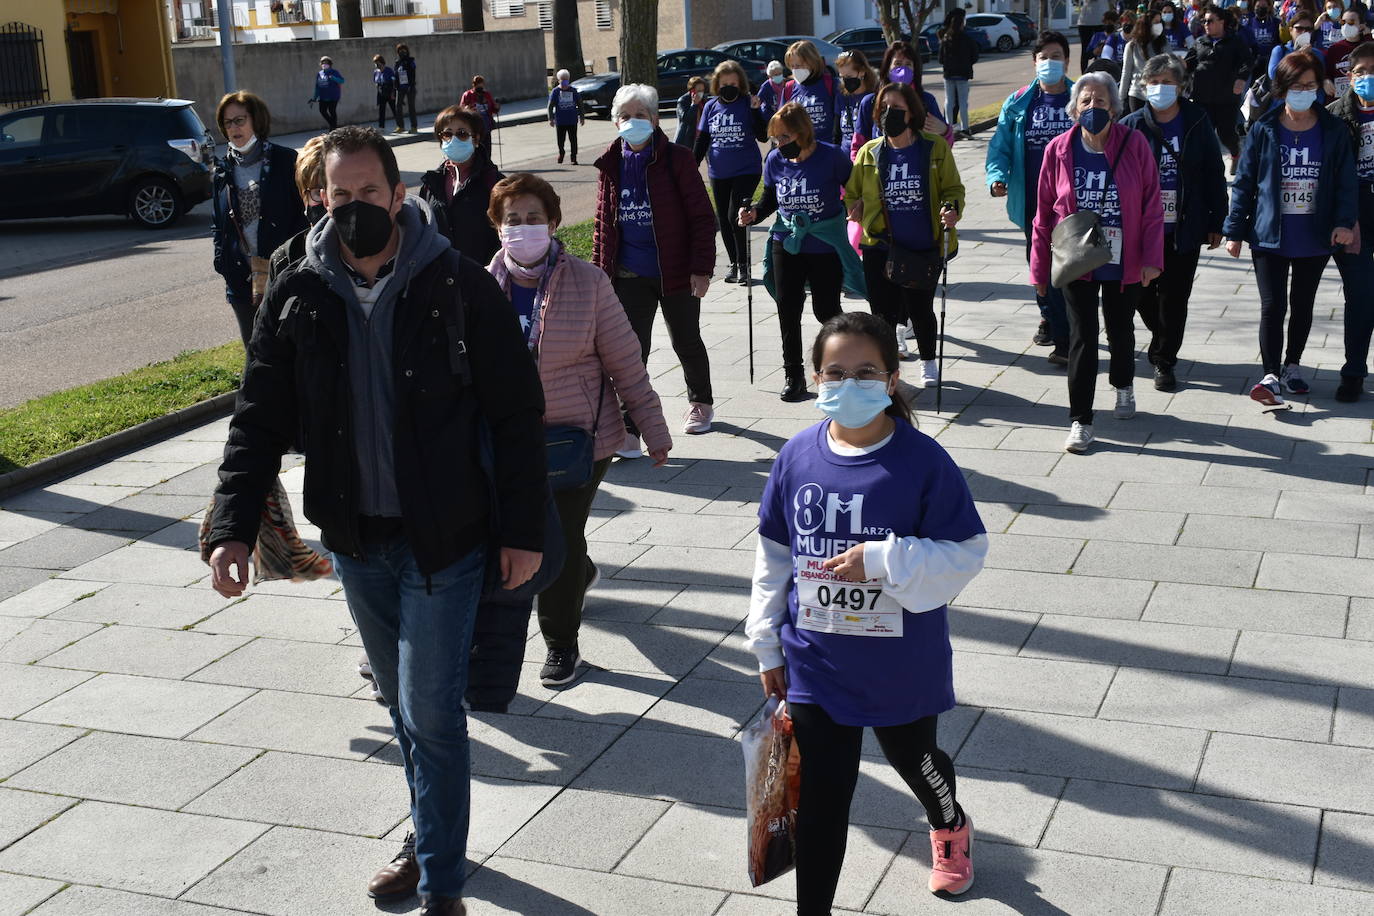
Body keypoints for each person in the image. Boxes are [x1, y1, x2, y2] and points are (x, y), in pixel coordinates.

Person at [206, 126, 547, 916]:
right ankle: (430, 837)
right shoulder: (295, 285)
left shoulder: (460, 284)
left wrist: (524, 532)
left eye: (370, 193)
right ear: (317, 197)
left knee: (429, 711)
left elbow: (517, 416)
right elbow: (257, 415)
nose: (355, 207)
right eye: (340, 194)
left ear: (399, 195)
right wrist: (231, 524)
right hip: (356, 542)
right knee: (401, 706)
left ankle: (441, 884)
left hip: (445, 539)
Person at [745, 311, 988, 914]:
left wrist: (883, 558)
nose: (848, 384)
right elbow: (774, 555)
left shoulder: (922, 460)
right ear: (815, 377)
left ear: (891, 378)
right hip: (816, 662)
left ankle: (949, 822)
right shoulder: (796, 456)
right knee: (823, 799)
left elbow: (967, 552)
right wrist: (766, 642)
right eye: (835, 372)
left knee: (917, 760)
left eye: (865, 372)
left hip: (900, 662)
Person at [485, 173, 672, 687]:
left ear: (553, 222)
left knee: (555, 540)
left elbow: (625, 362)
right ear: (498, 227)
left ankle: (560, 645)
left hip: (577, 443)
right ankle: (580, 571)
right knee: (547, 537)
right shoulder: (481, 286)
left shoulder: (588, 283)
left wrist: (651, 427)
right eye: (512, 220)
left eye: (533, 218)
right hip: (512, 444)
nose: (523, 229)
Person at [1030, 71, 1164, 454]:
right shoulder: (1058, 149)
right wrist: (1039, 269)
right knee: (1082, 337)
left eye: (1101, 101)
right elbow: (1042, 214)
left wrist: (1152, 259)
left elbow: (1152, 206)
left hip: (1125, 257)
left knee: (1120, 329)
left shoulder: (1135, 144)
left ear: (1115, 108)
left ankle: (1123, 384)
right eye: (1086, 101)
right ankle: (1081, 420)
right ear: (1074, 109)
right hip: (1076, 258)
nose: (1093, 108)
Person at [1224, 50, 1358, 408]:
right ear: (1282, 88)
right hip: (1270, 232)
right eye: (1297, 86)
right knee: (1272, 305)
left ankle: (1292, 367)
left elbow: (1346, 181)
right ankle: (1269, 374)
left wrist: (1344, 223)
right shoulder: (1264, 128)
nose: (1304, 91)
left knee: (1303, 304)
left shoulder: (1333, 130)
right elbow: (1245, 183)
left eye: (1311, 85)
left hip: (1315, 232)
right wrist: (1234, 231)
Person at [592, 84, 718, 444]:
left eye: (641, 115)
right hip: (628, 275)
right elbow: (603, 223)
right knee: (631, 351)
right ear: (616, 123)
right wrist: (600, 275)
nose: (633, 122)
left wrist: (701, 269)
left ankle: (700, 402)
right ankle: (628, 423)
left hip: (675, 271)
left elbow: (701, 217)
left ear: (654, 118)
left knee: (686, 340)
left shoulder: (676, 158)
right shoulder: (610, 162)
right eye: (626, 117)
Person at [738, 102, 864, 402]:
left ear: (802, 132)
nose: (780, 144)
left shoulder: (831, 156)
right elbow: (769, 198)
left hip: (824, 243)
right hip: (787, 241)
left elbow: (856, 186)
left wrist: (857, 204)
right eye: (776, 139)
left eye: (784, 137)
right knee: (788, 308)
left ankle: (843, 367)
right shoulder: (774, 160)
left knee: (826, 310)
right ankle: (793, 375)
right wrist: (753, 212)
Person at [846, 82, 965, 388]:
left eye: (897, 109)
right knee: (882, 314)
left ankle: (928, 360)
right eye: (884, 109)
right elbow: (853, 192)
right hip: (879, 245)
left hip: (922, 244)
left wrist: (951, 209)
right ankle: (887, 369)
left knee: (920, 309)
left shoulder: (934, 147)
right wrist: (854, 207)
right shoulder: (870, 152)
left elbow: (953, 188)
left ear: (912, 112)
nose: (889, 115)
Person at [1121, 53, 1228, 391]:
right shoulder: (1132, 125)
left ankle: (1164, 359)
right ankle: (1162, 335)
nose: (1160, 88)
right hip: (1140, 228)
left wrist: (1217, 219)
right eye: (1154, 83)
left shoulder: (1197, 120)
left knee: (1175, 296)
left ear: (1181, 86)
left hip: (1185, 224)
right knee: (1139, 292)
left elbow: (1214, 171)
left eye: (1167, 82)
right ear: (1144, 86)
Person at [986, 31, 1076, 362]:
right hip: (1032, 202)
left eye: (1057, 56)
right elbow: (1000, 145)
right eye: (1044, 57)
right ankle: (1051, 318)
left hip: (1070, 204)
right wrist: (996, 177)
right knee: (1038, 266)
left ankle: (1066, 337)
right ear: (1034, 62)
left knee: (1065, 270)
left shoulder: (1080, 97)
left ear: (1067, 60)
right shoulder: (1020, 101)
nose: (1050, 62)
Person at [211, 91, 308, 347]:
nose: (233, 128)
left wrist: (294, 261)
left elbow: (303, 215)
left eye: (239, 120)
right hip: (241, 279)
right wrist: (221, 260)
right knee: (254, 352)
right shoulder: (222, 170)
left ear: (256, 120)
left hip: (282, 273)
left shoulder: (286, 161)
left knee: (288, 349)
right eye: (227, 123)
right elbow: (217, 223)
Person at [693, 60, 768, 284]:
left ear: (741, 84)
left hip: (746, 169)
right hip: (718, 171)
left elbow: (763, 136)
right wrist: (689, 166)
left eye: (733, 83)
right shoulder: (710, 106)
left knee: (735, 215)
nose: (729, 86)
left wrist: (755, 111)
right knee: (724, 220)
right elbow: (703, 139)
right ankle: (734, 264)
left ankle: (744, 266)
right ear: (717, 84)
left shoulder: (748, 103)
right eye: (724, 83)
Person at [1328, 42, 1374, 400]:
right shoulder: (1335, 117)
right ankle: (1354, 372)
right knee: (1361, 295)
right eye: (1360, 73)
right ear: (1349, 75)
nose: (1367, 79)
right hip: (1352, 215)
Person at [418, 105, 503, 265]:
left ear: (476, 139)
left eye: (462, 134)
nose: (453, 139)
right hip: (441, 281)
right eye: (447, 134)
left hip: (481, 280)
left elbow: (504, 236)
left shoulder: (495, 183)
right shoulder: (430, 184)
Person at [1186, 5, 1254, 170]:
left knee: (1226, 135)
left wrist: (1241, 78)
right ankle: (1206, 166)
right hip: (1202, 97)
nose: (1206, 24)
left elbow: (1248, 61)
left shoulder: (1235, 41)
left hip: (1226, 99)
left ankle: (1235, 152)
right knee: (1203, 134)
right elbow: (1189, 62)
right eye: (1204, 21)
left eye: (1210, 21)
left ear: (1222, 22)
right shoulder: (1200, 42)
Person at [852, 42, 952, 155]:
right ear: (887, 68)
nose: (903, 69)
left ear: (915, 69)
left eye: (908, 64)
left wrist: (945, 131)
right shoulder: (870, 102)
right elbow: (857, 147)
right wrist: (862, 170)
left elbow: (945, 149)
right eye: (898, 64)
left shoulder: (926, 101)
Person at [782, 40, 839, 141]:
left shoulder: (830, 84)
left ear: (812, 62)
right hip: (801, 150)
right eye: (792, 66)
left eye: (799, 65)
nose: (795, 70)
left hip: (827, 147)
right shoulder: (789, 88)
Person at [940, 9, 981, 137]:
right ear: (961, 24)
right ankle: (965, 128)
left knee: (949, 101)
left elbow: (941, 58)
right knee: (963, 102)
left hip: (949, 74)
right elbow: (975, 55)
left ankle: (949, 126)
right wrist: (967, 64)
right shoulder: (967, 39)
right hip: (963, 74)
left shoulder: (946, 39)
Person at [1122, 10, 1173, 112]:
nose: (1159, 25)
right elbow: (1126, 72)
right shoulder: (1132, 46)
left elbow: (1171, 66)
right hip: (1137, 95)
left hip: (1159, 94)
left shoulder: (1163, 43)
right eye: (1155, 22)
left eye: (1160, 22)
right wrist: (1121, 98)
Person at [835, 50, 879, 156]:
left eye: (849, 77)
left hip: (867, 157)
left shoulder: (875, 97)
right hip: (845, 158)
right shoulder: (841, 96)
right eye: (842, 77)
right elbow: (836, 132)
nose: (845, 81)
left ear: (862, 71)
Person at [1325, 8, 1372, 94]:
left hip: (1364, 96)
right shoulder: (1334, 49)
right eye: (1343, 22)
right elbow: (1327, 72)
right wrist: (1325, 81)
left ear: (1361, 25)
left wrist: (1368, 38)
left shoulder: (1368, 44)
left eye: (1351, 22)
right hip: (1339, 98)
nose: (1346, 25)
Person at [547, 69, 585, 164]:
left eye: (566, 79)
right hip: (560, 120)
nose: (564, 82)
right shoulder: (555, 91)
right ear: (559, 80)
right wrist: (551, 118)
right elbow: (550, 106)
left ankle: (573, 157)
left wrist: (582, 117)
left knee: (573, 140)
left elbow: (580, 104)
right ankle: (561, 153)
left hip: (572, 120)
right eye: (562, 79)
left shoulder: (573, 91)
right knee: (560, 140)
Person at [1269, 13, 1317, 77]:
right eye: (1299, 29)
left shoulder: (1317, 53)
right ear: (1291, 30)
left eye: (1308, 29)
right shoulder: (1280, 50)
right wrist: (1298, 56)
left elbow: (1321, 76)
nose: (1304, 32)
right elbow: (1273, 75)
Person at [311, 56, 344, 130]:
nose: (324, 64)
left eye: (326, 63)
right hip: (323, 96)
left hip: (333, 96)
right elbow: (317, 86)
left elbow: (342, 81)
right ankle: (333, 125)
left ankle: (333, 128)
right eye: (322, 63)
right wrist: (314, 97)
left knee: (332, 111)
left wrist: (333, 78)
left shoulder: (334, 72)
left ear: (330, 64)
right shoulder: (319, 74)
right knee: (322, 111)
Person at [675, 76, 708, 147]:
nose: (701, 93)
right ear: (692, 90)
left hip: (700, 136)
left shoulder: (703, 100)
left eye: (702, 90)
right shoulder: (683, 100)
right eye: (699, 90)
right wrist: (694, 105)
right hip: (686, 139)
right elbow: (686, 119)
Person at [1080, 0, 1113, 71]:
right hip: (1085, 21)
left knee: (1104, 49)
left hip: (1102, 19)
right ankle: (1084, 76)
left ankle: (1101, 72)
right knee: (1085, 51)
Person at [394, 44, 418, 134]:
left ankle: (414, 127)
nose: (402, 52)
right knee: (398, 106)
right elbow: (395, 75)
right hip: (400, 88)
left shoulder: (411, 61)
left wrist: (410, 85)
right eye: (400, 51)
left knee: (411, 107)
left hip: (410, 88)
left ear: (407, 51)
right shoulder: (397, 63)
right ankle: (400, 126)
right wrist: (395, 87)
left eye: (404, 50)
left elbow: (413, 74)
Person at [372, 54, 401, 132]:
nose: (376, 65)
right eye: (375, 63)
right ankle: (381, 127)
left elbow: (393, 82)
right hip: (381, 91)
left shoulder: (388, 70)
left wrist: (392, 93)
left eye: (377, 63)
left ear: (381, 62)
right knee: (381, 110)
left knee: (394, 109)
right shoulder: (376, 72)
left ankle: (400, 125)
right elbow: (375, 81)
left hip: (389, 91)